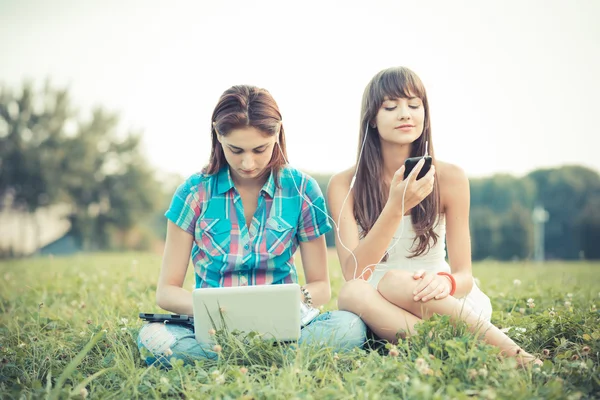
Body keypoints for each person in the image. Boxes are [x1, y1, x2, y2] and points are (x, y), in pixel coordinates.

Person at [137, 85, 366, 367]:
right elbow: (167, 291)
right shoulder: (193, 192)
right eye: (236, 150)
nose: (248, 162)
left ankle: (231, 361)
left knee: (350, 327)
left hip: (286, 328)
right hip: (212, 330)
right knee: (152, 337)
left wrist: (295, 299)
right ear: (218, 135)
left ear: (278, 134)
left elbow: (321, 286)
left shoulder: (302, 189)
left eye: (260, 149)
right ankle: (272, 360)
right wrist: (219, 312)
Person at [327, 66, 542, 366]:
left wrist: (446, 284)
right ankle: (464, 349)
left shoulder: (451, 178)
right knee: (351, 292)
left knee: (395, 282)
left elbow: (464, 274)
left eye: (414, 105)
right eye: (391, 106)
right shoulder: (344, 184)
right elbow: (354, 273)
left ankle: (518, 357)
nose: (405, 114)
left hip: (437, 301)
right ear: (372, 120)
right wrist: (395, 208)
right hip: (381, 308)